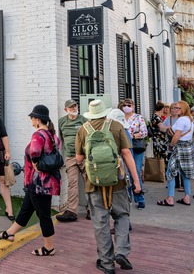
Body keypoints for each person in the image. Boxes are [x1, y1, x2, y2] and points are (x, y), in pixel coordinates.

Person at [76, 100, 142, 274]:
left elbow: (79, 158)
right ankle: (121, 252)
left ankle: (107, 263)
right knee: (122, 215)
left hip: (94, 183)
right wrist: (136, 181)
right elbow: (127, 153)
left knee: (100, 222)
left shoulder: (83, 130)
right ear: (104, 112)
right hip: (117, 181)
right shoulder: (117, 126)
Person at [0, 105, 61, 257]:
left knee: (43, 214)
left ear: (37, 120)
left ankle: (49, 247)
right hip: (46, 181)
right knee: (26, 208)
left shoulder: (38, 135)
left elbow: (35, 153)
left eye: (32, 118)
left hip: (39, 183)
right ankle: (10, 233)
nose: (31, 121)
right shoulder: (53, 135)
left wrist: (36, 166)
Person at [158, 101, 194, 206]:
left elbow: (176, 135)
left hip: (179, 148)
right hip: (187, 147)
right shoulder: (190, 119)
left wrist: (171, 145)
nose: (174, 110)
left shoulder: (181, 120)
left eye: (178, 108)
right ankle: (187, 197)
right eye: (174, 108)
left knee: (170, 173)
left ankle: (170, 198)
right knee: (185, 174)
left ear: (184, 109)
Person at [57, 99, 88, 222]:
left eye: (75, 106)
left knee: (89, 182)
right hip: (70, 157)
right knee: (72, 183)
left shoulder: (83, 120)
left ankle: (91, 208)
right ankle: (72, 210)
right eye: (71, 107)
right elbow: (60, 140)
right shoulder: (61, 122)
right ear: (66, 110)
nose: (74, 109)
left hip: (84, 156)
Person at [119, 98, 148, 210]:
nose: (127, 106)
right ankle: (128, 197)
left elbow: (144, 132)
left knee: (135, 170)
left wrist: (132, 136)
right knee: (125, 173)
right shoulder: (120, 118)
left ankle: (140, 198)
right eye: (125, 105)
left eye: (129, 105)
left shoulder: (138, 117)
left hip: (136, 148)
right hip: (124, 147)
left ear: (133, 106)